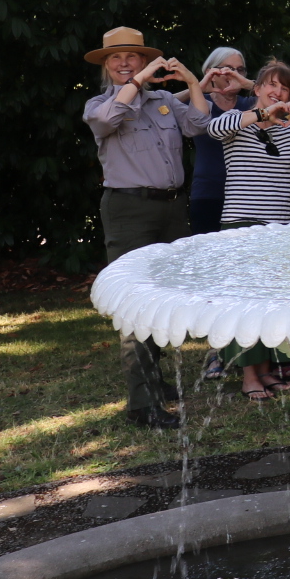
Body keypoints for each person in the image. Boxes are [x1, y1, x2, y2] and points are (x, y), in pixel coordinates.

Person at [82, 27, 210, 429]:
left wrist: (192, 81)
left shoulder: (165, 102)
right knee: (134, 302)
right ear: (106, 66)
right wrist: (136, 84)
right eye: (116, 58)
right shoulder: (99, 105)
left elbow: (201, 125)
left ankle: (154, 379)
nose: (124, 63)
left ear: (143, 60)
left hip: (171, 209)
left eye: (132, 58)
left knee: (167, 297)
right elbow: (107, 121)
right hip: (128, 209)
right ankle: (143, 405)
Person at [208, 60, 290, 400]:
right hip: (240, 221)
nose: (278, 92)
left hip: (279, 224)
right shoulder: (240, 120)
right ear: (257, 89)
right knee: (245, 301)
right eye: (271, 85)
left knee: (273, 300)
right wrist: (263, 115)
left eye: (284, 88)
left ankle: (268, 370)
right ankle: (248, 376)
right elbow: (214, 129)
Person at [188, 48, 252, 235]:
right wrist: (197, 88)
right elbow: (160, 106)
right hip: (208, 193)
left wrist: (247, 84)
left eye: (240, 70)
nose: (234, 74)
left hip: (245, 198)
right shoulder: (198, 103)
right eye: (227, 69)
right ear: (210, 73)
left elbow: (284, 97)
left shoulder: (252, 104)